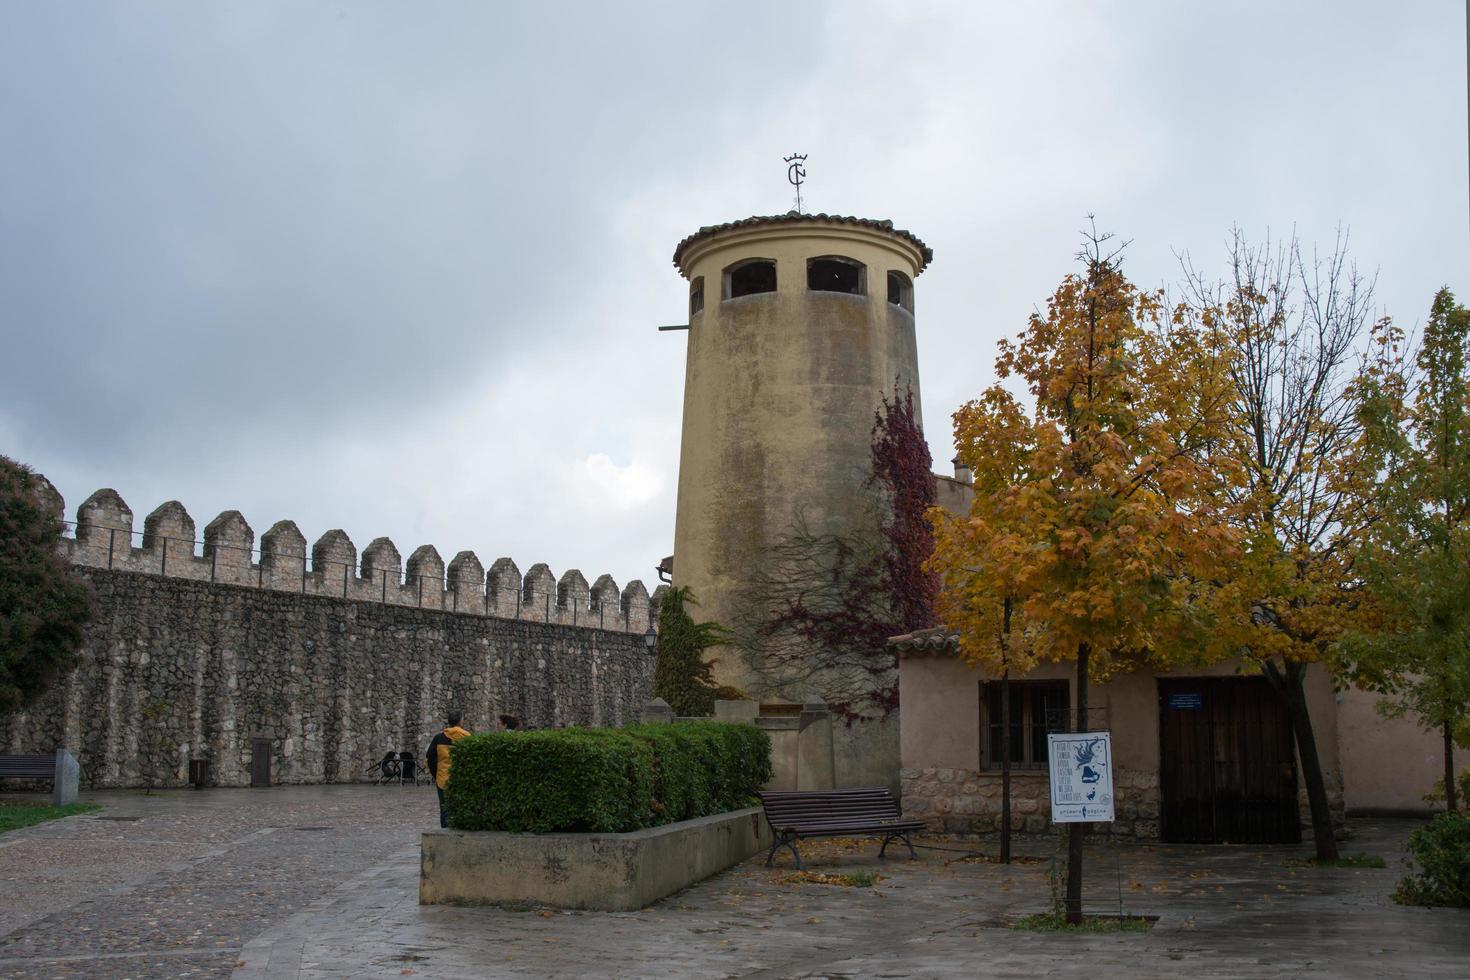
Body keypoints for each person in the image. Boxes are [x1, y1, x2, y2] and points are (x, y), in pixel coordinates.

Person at [426, 709, 471, 828]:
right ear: (461, 721)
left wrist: (435, 773)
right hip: (461, 779)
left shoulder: (438, 738)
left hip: (442, 778)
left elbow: (430, 757)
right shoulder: (468, 738)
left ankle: (445, 832)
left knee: (444, 809)